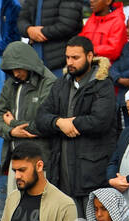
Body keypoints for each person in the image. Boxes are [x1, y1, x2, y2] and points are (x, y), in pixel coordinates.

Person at [33, 36, 118, 212]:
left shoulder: (103, 84)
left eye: (75, 58)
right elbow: (41, 117)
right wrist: (59, 122)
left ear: (89, 56)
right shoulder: (61, 84)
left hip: (91, 173)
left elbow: (100, 121)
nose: (70, 62)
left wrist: (74, 123)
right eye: (67, 57)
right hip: (62, 174)